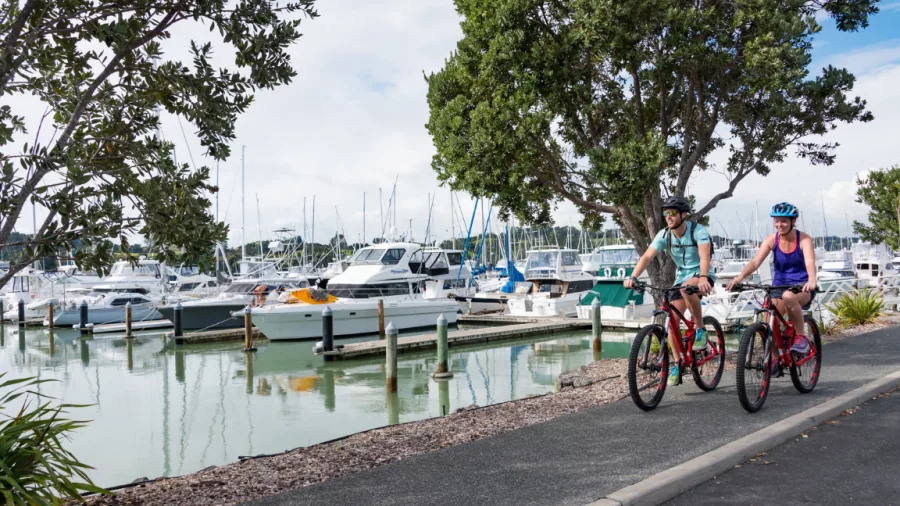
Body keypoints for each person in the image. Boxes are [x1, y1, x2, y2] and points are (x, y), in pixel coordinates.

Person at [624, 196, 715, 385]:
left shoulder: (698, 231)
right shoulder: (665, 234)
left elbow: (704, 256)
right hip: (682, 278)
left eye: (672, 213)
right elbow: (647, 256)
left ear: (684, 215)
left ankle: (700, 329)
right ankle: (678, 361)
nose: (668, 216)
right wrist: (633, 277)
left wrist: (704, 277)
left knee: (686, 289)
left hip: (701, 274)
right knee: (671, 321)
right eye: (666, 213)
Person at [726, 202, 816, 360]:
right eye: (776, 221)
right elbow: (755, 262)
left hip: (802, 286)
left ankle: (801, 338)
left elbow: (809, 261)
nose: (779, 225)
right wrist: (739, 278)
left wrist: (812, 279)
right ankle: (775, 359)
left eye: (784, 221)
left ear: (792, 221)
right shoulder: (771, 240)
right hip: (779, 286)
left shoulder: (803, 239)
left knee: (789, 297)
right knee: (768, 322)